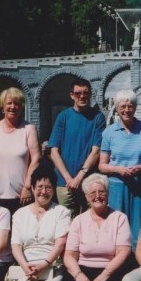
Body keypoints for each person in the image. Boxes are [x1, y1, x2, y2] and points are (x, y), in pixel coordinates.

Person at [9, 160, 71, 281]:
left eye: (48, 188)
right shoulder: (20, 214)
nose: (44, 191)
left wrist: (45, 263)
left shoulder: (61, 212)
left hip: (53, 265)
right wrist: (25, 266)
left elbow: (60, 243)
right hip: (26, 266)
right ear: (33, 188)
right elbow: (15, 245)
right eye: (40, 187)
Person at [99, 89, 141, 239]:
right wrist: (119, 170)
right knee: (117, 225)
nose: (126, 110)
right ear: (117, 108)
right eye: (123, 106)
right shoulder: (109, 132)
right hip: (117, 186)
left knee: (139, 225)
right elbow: (102, 165)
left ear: (135, 107)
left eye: (130, 106)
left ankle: (138, 252)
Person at [48, 77, 106, 214]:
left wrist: (79, 177)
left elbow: (96, 151)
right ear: (72, 95)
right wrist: (69, 179)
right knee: (66, 221)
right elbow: (54, 151)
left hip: (89, 181)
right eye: (78, 93)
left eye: (85, 93)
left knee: (91, 220)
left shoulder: (98, 117)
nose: (82, 96)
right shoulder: (63, 116)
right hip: (64, 183)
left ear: (90, 94)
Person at [0, 87, 41, 215]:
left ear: (21, 107)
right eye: (9, 103)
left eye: (17, 104)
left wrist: (27, 187)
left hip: (22, 196)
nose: (13, 107)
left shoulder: (29, 129)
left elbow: (36, 159)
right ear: (3, 107)